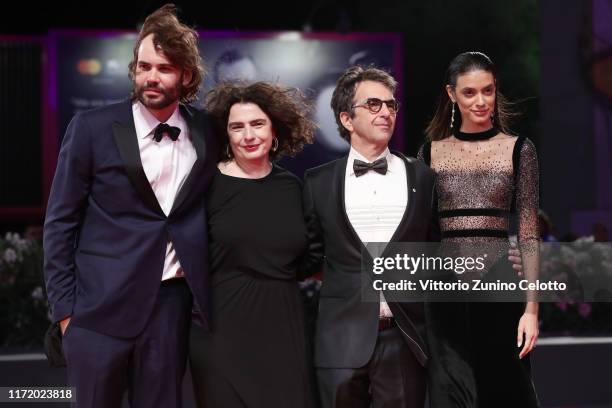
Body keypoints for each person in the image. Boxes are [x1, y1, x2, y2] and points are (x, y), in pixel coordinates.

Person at [43, 5, 218, 407]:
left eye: (164, 68)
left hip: (170, 309)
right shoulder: (91, 128)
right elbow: (59, 223)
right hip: (98, 310)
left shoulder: (207, 130)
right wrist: (66, 313)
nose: (151, 77)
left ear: (186, 76)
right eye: (143, 66)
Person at [301, 65, 438, 408]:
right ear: (347, 120)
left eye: (391, 105)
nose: (386, 113)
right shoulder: (318, 183)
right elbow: (309, 255)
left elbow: (435, 254)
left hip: (405, 339)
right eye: (374, 105)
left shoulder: (423, 178)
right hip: (339, 340)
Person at [418, 51, 540, 407]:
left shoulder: (519, 150)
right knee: (450, 394)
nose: (481, 101)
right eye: (469, 92)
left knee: (507, 391)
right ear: (451, 94)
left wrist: (532, 310)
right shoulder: (430, 153)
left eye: (487, 90)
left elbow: (529, 232)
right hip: (445, 294)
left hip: (501, 287)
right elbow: (423, 231)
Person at [189, 81, 317, 408]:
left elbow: (308, 257)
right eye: (237, 127)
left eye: (257, 124)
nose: (249, 135)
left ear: (275, 130)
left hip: (284, 331)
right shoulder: (205, 185)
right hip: (220, 334)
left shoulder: (291, 187)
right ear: (226, 136)